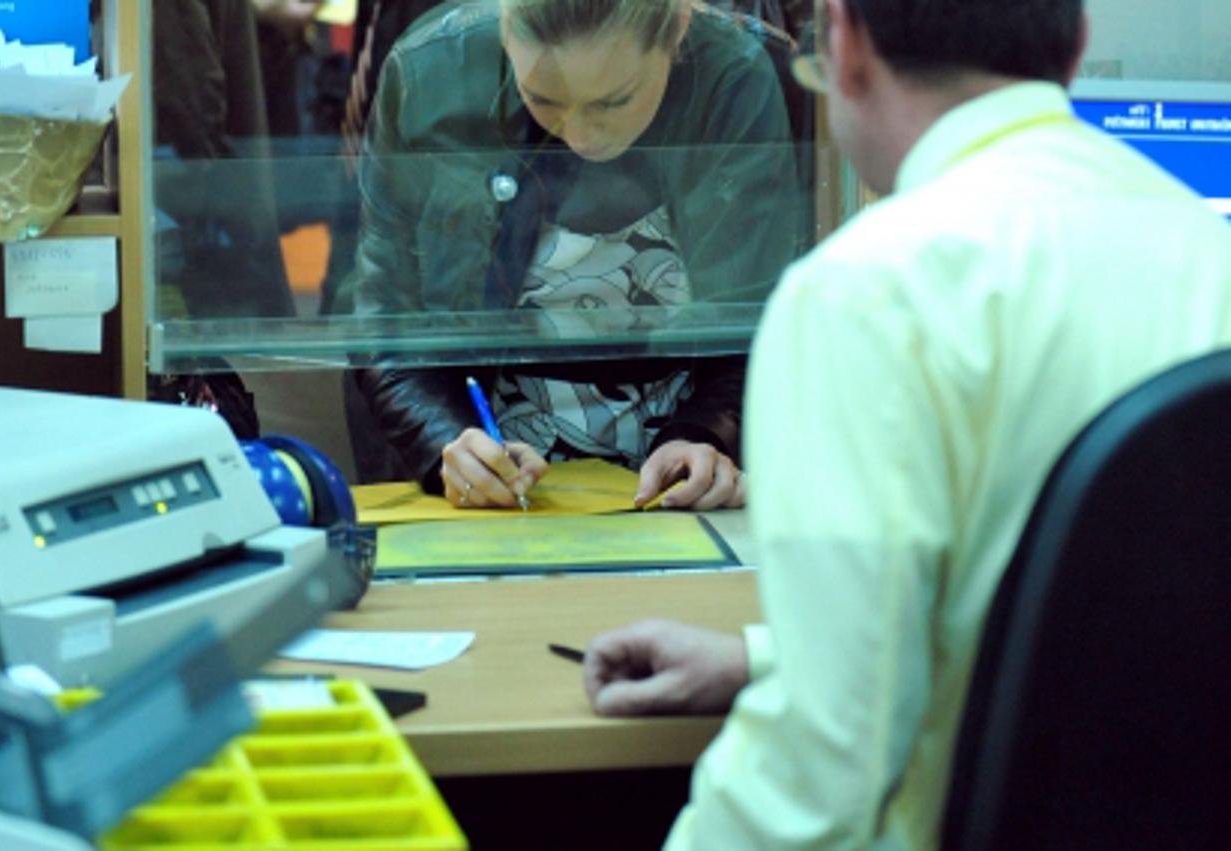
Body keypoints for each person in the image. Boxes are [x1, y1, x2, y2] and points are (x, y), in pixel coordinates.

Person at [582, 0, 1231, 847]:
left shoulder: (868, 292)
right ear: (1075, 49)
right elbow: (1120, 630)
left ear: (843, 41)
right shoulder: (1202, 248)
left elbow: (819, 777)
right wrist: (767, 659)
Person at [339, 0, 807, 508]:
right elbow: (385, 320)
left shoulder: (736, 76)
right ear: (504, 30)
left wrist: (707, 434)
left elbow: (763, 320)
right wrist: (447, 442)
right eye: (543, 98)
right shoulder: (432, 72)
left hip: (682, 477)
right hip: (479, 478)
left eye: (614, 101)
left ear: (676, 30)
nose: (581, 136)